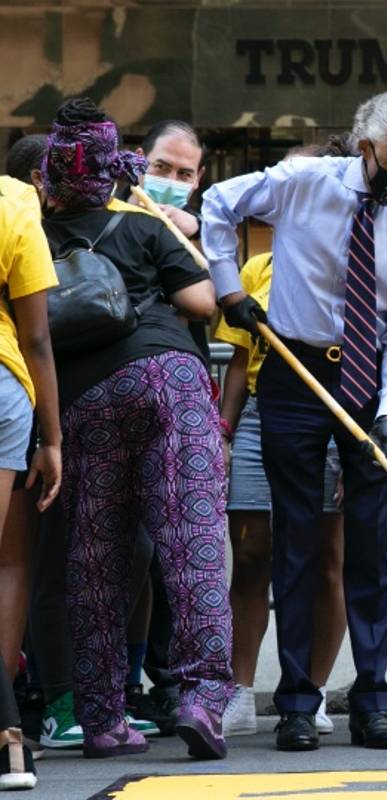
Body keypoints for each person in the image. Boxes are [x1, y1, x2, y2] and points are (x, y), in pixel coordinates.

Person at [203, 91, 387, 752]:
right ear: (366, 149)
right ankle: (298, 702)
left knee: (367, 541)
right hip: (292, 375)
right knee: (297, 542)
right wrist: (229, 289)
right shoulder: (303, 184)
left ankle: (371, 698)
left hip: (368, 385)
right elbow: (219, 203)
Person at [39, 97, 231, 760]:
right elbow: (201, 303)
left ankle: (102, 721)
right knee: (192, 544)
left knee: (96, 563)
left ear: (48, 176)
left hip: (82, 400)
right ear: (113, 169)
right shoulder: (144, 226)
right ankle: (204, 700)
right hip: (171, 381)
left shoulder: (27, 234)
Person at [4, 134, 159, 751]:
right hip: (31, 401)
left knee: (113, 556)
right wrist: (52, 437)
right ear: (39, 185)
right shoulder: (22, 220)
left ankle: (103, 693)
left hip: (55, 410)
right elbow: (37, 339)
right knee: (25, 561)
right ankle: (38, 706)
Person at [217, 137, 354, 738]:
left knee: (325, 562)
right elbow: (238, 361)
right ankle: (239, 690)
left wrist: (359, 448)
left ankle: (312, 691)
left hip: (332, 422)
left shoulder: (357, 264)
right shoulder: (256, 269)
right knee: (249, 556)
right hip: (258, 420)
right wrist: (221, 433)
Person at [124, 119, 212, 736]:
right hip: (118, 399)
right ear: (137, 162)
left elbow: (209, 300)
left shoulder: (197, 235)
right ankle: (117, 684)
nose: (173, 182)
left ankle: (173, 682)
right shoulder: (112, 221)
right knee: (121, 553)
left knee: (176, 552)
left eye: (185, 174)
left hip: (185, 408)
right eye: (162, 168)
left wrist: (191, 233)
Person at [0, 168, 63, 790]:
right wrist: (53, 438)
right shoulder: (14, 202)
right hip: (3, 385)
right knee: (9, 561)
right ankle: (10, 738)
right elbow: (36, 335)